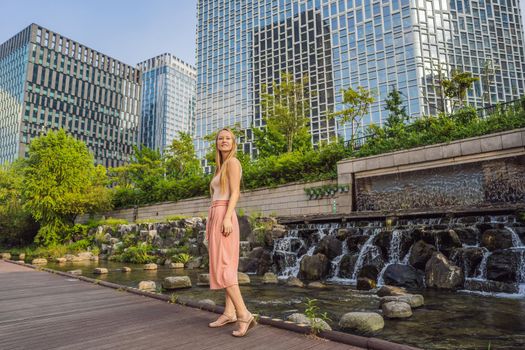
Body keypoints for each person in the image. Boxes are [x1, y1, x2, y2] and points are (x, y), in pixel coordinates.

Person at [206, 128, 256, 337]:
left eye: (228, 138)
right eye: (220, 138)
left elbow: (236, 192)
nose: (224, 141)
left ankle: (244, 314)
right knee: (223, 265)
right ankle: (229, 312)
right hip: (215, 214)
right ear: (216, 143)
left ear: (233, 143)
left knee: (224, 266)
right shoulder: (221, 167)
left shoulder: (233, 163)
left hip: (224, 214)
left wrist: (226, 217)